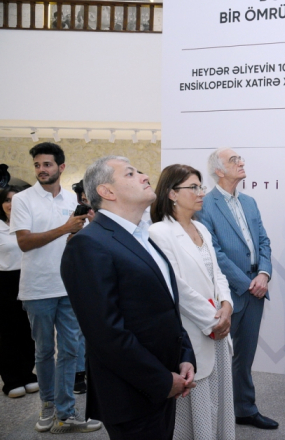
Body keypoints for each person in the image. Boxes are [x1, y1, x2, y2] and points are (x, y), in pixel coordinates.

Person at [61, 156, 196, 440]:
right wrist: (161, 380)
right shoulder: (88, 244)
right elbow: (105, 333)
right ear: (107, 191)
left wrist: (184, 356)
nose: (145, 176)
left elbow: (165, 307)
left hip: (164, 380)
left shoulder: (141, 236)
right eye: (131, 174)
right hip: (131, 394)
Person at [9, 142, 99, 434]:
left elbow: (71, 243)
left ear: (61, 167)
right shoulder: (23, 200)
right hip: (37, 288)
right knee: (45, 351)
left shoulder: (71, 201)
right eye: (37, 165)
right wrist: (64, 228)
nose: (41, 170)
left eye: (47, 164)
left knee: (71, 351)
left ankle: (66, 412)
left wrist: (81, 230)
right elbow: (25, 242)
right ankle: (47, 405)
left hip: (69, 286)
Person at [149, 164, 235, 440]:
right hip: (193, 329)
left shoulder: (201, 228)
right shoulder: (159, 232)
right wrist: (213, 320)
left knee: (220, 400)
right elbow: (176, 287)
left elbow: (217, 274)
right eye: (193, 187)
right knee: (197, 405)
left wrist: (227, 306)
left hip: (218, 326)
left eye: (201, 187)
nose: (201, 193)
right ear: (172, 193)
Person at [198, 148, 278, 430]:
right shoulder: (205, 205)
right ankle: (215, 415)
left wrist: (264, 274)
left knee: (245, 357)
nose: (241, 162)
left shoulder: (250, 202)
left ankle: (244, 409)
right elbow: (213, 252)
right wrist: (246, 284)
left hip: (257, 288)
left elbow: (264, 241)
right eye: (234, 160)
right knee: (218, 359)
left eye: (240, 158)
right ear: (219, 170)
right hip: (228, 293)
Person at [0, 185, 38, 399]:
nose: (11, 204)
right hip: (5, 282)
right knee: (7, 332)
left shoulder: (30, 225)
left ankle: (27, 373)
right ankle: (11, 379)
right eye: (7, 200)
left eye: (15, 200)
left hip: (30, 278)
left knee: (29, 330)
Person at [69, 180, 94, 395]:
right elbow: (70, 244)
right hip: (80, 279)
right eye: (83, 199)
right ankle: (78, 373)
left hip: (99, 279)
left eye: (88, 198)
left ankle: (91, 369)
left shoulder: (105, 215)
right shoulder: (76, 217)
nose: (86, 203)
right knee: (77, 330)